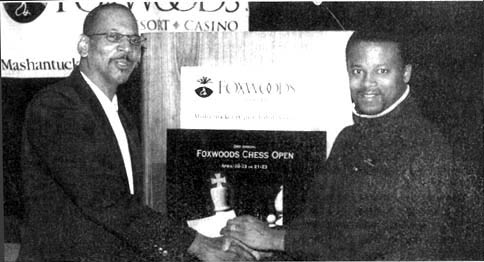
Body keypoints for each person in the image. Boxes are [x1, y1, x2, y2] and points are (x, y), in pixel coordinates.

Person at [19, 3, 257, 261]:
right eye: (113, 37)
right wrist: (196, 244)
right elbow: (103, 199)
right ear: (84, 46)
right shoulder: (56, 106)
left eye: (134, 41)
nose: (126, 49)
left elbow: (132, 207)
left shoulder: (123, 116)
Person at [221, 31, 455, 260]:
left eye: (382, 71)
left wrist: (277, 240)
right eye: (357, 71)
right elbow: (316, 223)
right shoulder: (348, 138)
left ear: (405, 73)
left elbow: (384, 246)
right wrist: (265, 246)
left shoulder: (427, 146)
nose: (367, 83)